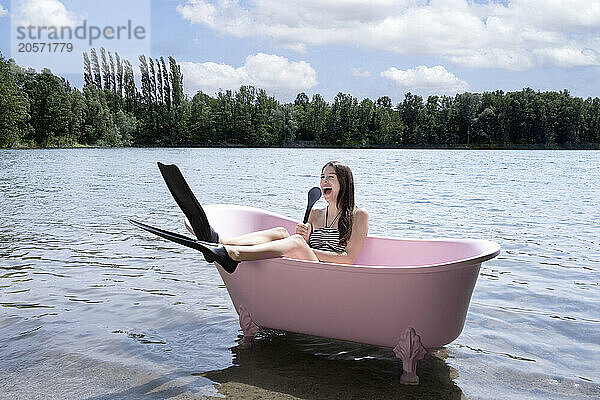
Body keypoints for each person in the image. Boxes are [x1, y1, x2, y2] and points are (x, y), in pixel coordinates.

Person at [189, 161, 369, 273]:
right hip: (309, 266)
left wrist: (300, 248)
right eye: (322, 177)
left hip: (332, 274)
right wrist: (304, 241)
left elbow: (348, 259)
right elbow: (304, 246)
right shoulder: (316, 213)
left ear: (344, 183)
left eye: (331, 177)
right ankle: (221, 240)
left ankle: (234, 254)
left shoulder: (358, 215)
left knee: (296, 242)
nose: (324, 181)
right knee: (282, 232)